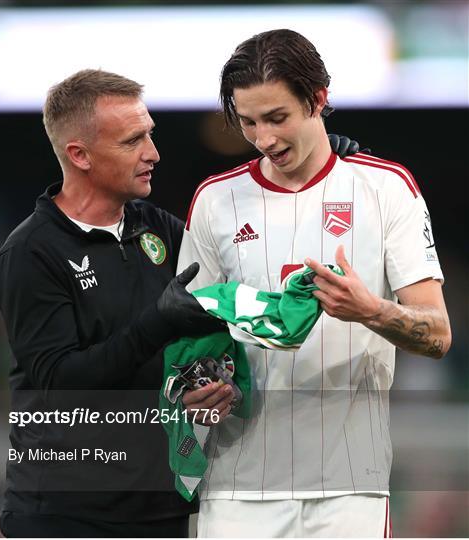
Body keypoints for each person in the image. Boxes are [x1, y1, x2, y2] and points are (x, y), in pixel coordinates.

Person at [0, 68, 358, 538]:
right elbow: (60, 388)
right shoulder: (31, 253)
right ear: (79, 155)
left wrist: (315, 173)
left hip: (158, 508)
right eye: (132, 141)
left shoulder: (157, 229)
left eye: (150, 134)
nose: (153, 153)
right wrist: (157, 324)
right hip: (68, 514)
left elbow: (251, 278)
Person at [178, 29, 451, 538]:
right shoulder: (215, 201)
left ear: (318, 100)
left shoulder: (386, 189)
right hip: (238, 485)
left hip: (350, 486)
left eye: (277, 118)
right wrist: (201, 383)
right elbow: (189, 331)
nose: (264, 139)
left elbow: (438, 334)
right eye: (249, 122)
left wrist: (371, 311)